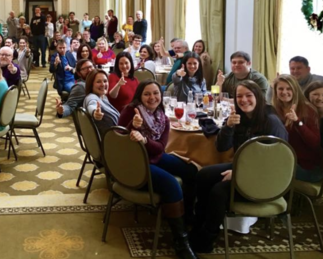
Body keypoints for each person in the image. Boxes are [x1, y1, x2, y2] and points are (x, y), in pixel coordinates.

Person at [190, 81, 288, 253]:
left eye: (248, 95)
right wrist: (228, 127)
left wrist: (238, 173)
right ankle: (199, 223)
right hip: (244, 167)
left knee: (219, 191)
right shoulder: (239, 118)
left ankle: (207, 238)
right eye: (239, 96)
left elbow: (275, 162)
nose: (244, 100)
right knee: (204, 175)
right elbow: (221, 147)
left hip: (267, 177)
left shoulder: (271, 121)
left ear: (258, 96)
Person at [119, 80, 199, 259]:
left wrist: (145, 140)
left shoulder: (162, 116)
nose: (152, 97)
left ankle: (186, 217)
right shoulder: (130, 111)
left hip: (154, 155)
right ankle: (181, 241)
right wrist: (133, 127)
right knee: (172, 185)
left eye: (156, 93)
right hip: (134, 163)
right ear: (140, 96)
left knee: (191, 170)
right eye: (147, 94)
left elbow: (160, 148)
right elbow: (118, 142)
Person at [271, 75, 323, 183]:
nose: (284, 92)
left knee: (267, 168)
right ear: (275, 91)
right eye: (280, 89)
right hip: (286, 159)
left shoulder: (307, 109)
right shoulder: (275, 109)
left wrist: (297, 122)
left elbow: (315, 143)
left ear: (295, 90)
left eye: (289, 88)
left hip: (308, 168)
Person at [84, 69, 120, 135]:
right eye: (98, 82)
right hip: (112, 141)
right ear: (91, 84)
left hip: (115, 136)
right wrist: (95, 112)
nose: (103, 84)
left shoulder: (103, 97)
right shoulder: (91, 97)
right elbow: (91, 104)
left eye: (105, 81)